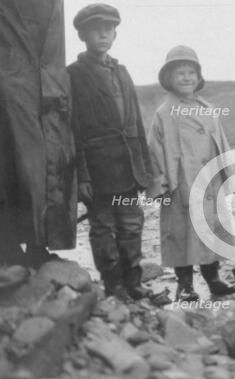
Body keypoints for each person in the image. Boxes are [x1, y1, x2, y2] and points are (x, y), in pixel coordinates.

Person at [67, 4, 161, 302]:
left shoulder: (121, 72)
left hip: (129, 169)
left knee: (131, 225)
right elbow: (72, 129)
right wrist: (82, 175)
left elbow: (136, 124)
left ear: (115, 34)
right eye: (96, 29)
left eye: (108, 29)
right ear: (82, 35)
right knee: (103, 227)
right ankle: (113, 286)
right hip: (99, 170)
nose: (103, 34)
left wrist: (146, 171)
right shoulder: (73, 75)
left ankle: (133, 282)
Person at [147, 45, 235, 301]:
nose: (186, 78)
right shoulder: (164, 113)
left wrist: (227, 174)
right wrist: (160, 185)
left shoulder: (208, 108)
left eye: (191, 72)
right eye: (179, 73)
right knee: (181, 234)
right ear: (168, 79)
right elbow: (154, 150)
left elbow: (222, 142)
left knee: (211, 230)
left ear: (198, 78)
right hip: (180, 185)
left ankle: (213, 278)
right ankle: (185, 284)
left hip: (209, 183)